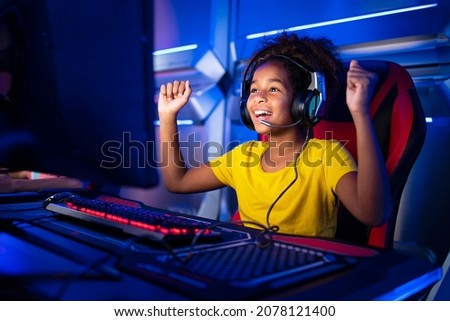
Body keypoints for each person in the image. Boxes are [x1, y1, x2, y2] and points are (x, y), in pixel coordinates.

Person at [157, 32, 392, 238]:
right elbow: (178, 182)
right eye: (253, 89)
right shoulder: (243, 157)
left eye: (273, 89)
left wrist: (360, 112)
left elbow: (373, 214)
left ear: (304, 102)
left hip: (301, 273)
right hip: (244, 264)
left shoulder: (326, 156)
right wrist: (168, 117)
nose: (258, 97)